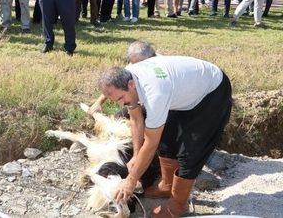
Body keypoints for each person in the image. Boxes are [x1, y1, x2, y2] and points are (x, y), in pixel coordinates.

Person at [99, 55, 232, 217]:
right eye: (116, 101)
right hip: (183, 92)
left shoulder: (155, 93)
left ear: (131, 85)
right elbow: (135, 118)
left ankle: (178, 204)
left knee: (190, 151)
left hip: (211, 92)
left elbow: (151, 143)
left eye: (121, 99)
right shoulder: (128, 77)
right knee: (167, 138)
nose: (121, 104)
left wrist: (131, 181)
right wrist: (135, 155)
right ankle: (167, 186)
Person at [88, 39, 157, 115]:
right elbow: (116, 83)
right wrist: (98, 102)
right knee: (119, 117)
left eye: (137, 65)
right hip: (140, 100)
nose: (134, 67)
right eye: (132, 63)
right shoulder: (134, 64)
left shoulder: (157, 76)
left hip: (163, 106)